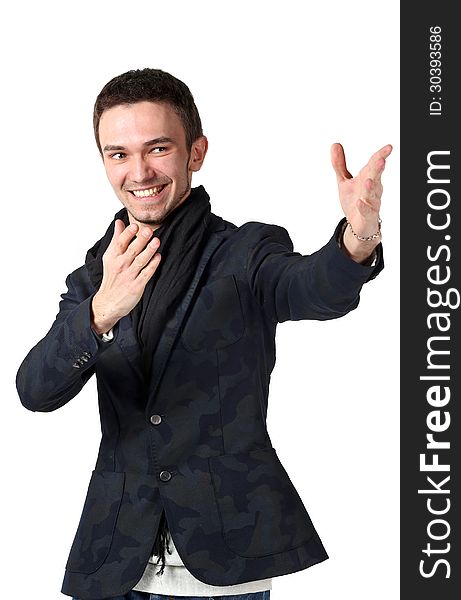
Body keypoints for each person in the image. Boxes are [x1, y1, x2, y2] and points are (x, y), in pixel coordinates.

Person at [16, 68, 392, 600]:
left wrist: (357, 238)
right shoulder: (97, 274)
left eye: (158, 148)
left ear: (196, 152)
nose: (139, 171)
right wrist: (100, 312)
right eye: (118, 153)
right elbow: (35, 389)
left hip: (223, 561)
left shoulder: (244, 254)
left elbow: (314, 287)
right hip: (115, 561)